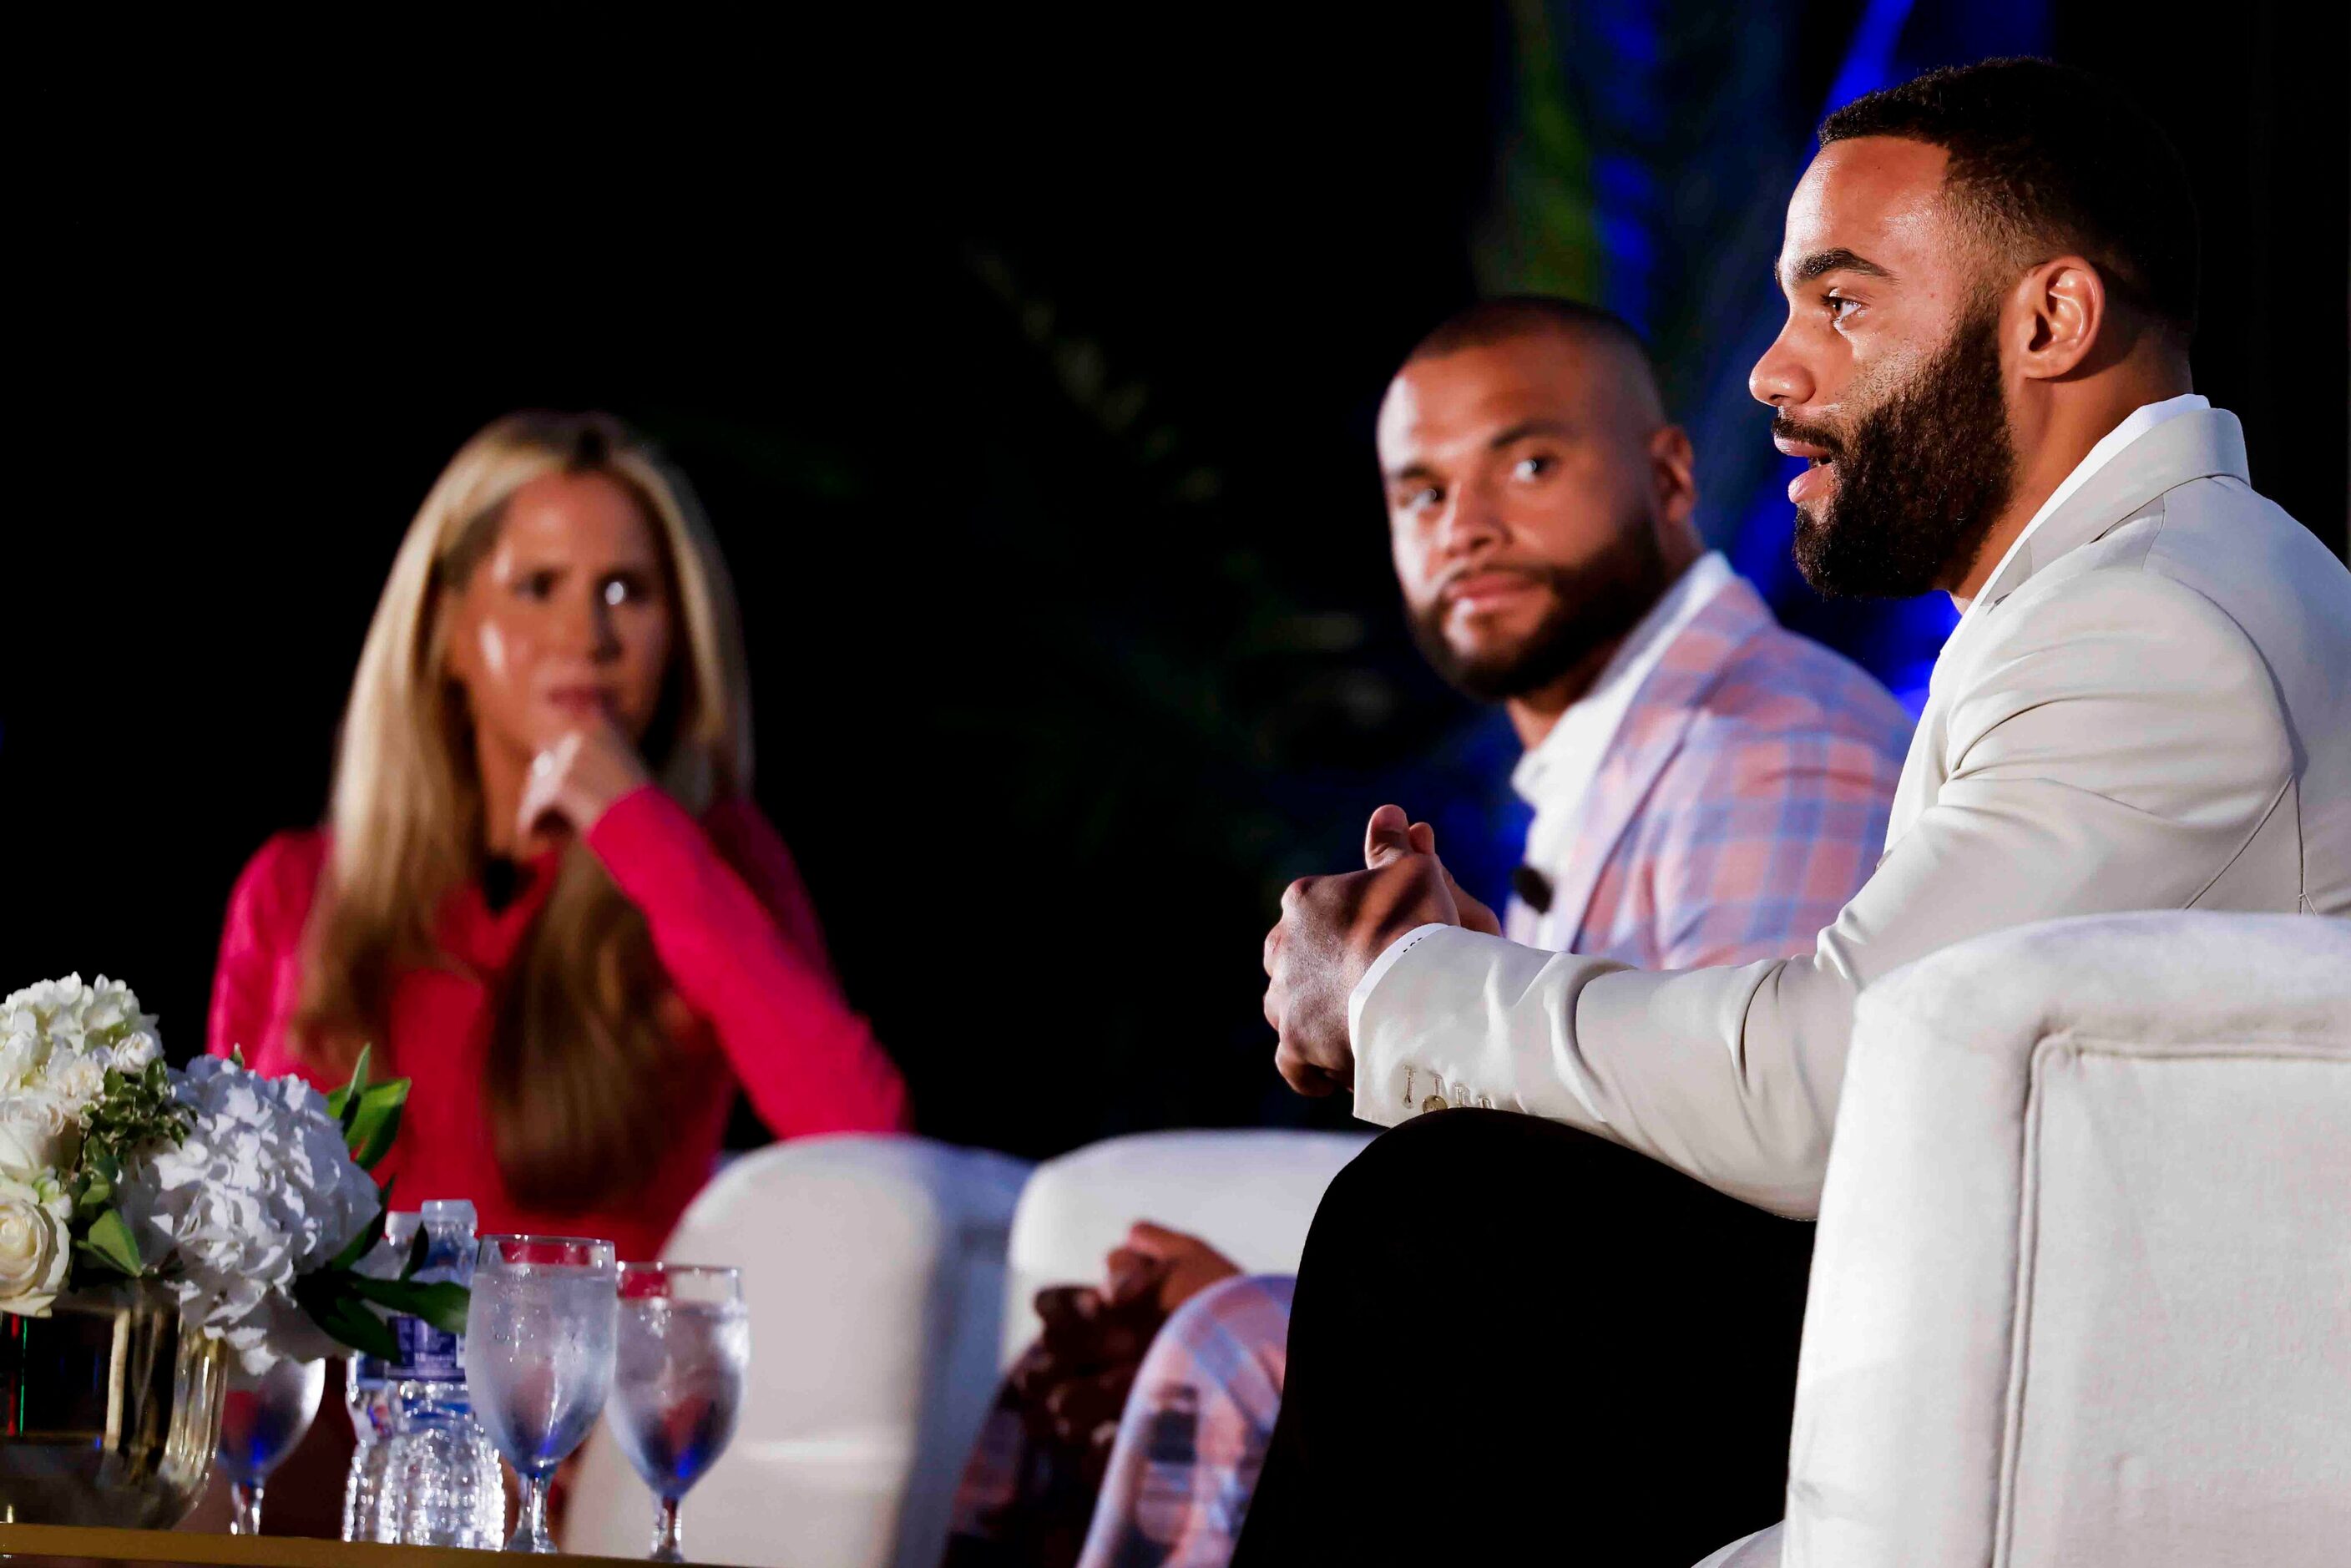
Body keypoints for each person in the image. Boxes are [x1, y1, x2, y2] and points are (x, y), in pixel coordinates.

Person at [1246, 59, 2351, 1564]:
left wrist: (1399, 989)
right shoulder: (2153, 589)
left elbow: (1838, 1089)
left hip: (2119, 1380)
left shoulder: (2150, 631)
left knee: (1455, 1224)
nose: (1772, 372)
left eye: (1840, 303)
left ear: (2050, 321)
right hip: (2058, 1320)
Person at [947, 301, 1914, 1567]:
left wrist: (1281, 1321)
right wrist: (1275, 1294)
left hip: (1756, 1413)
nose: (1463, 523)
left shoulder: (1769, 742)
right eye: (1419, 490)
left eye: (1528, 463)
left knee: (1229, 1349)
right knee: (1158, 1350)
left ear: (1670, 475)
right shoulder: (1626, 764)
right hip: (1625, 1364)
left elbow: (1722, 1248)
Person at [207, 412, 909, 1265]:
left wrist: (636, 827)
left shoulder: (712, 860)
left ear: (679, 635)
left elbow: (865, 1141)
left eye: (626, 593)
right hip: (344, 1399)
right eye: (538, 587)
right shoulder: (297, 885)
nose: (588, 638)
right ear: (448, 630)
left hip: (592, 1396)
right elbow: (223, 1235)